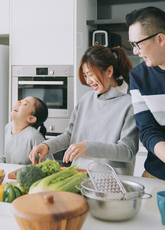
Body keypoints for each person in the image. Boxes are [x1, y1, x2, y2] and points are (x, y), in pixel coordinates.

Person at [29, 45, 139, 176]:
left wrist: (87, 147)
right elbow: (70, 136)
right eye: (86, 75)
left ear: (109, 71)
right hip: (80, 175)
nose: (88, 81)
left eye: (91, 74)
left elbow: (127, 152)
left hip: (113, 181)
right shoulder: (85, 100)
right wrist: (47, 146)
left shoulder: (129, 104)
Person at [125, 6, 165, 179]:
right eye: (132, 45)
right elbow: (148, 129)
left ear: (160, 39)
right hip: (156, 174)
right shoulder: (138, 76)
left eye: (137, 44)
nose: (135, 51)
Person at [0, 96, 54, 165]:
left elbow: (49, 163)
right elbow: (9, 158)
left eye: (25, 103)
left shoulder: (33, 136)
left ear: (31, 118)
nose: (18, 103)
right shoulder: (8, 127)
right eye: (20, 101)